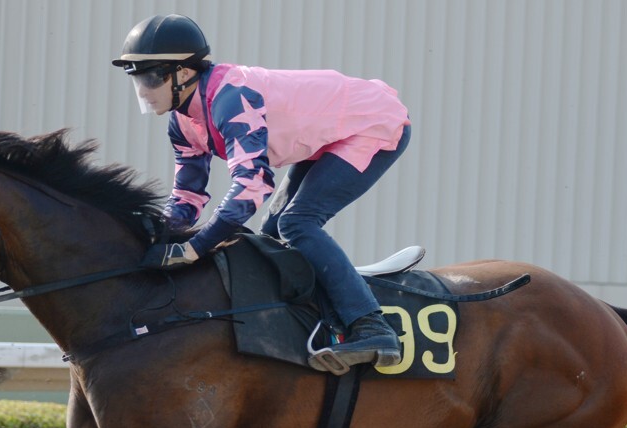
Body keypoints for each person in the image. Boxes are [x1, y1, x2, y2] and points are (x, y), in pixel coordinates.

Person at [114, 14, 411, 370]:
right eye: (137, 79)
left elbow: (253, 185)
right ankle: (315, 325)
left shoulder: (231, 99)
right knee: (271, 234)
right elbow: (188, 196)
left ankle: (370, 325)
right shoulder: (183, 122)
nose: (144, 89)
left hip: (371, 123)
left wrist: (195, 247)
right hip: (330, 137)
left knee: (298, 223)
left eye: (151, 77)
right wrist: (157, 237)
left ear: (184, 73)